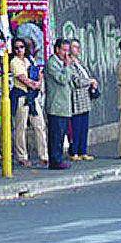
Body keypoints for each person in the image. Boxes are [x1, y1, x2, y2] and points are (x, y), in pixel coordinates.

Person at [11, 38, 48, 167]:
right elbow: (22, 78)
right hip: (22, 95)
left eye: (21, 47)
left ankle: (43, 155)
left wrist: (38, 82)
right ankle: (22, 156)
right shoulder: (14, 62)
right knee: (21, 127)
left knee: (39, 125)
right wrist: (34, 85)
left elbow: (38, 72)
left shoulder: (29, 60)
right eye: (16, 48)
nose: (19, 50)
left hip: (32, 97)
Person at [45, 38, 73, 170]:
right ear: (57, 49)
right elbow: (63, 79)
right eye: (64, 50)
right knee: (56, 135)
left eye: (68, 50)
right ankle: (55, 160)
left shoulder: (62, 63)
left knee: (61, 135)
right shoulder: (53, 63)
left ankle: (59, 158)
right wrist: (67, 66)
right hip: (56, 105)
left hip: (64, 105)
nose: (66, 53)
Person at [69, 39, 98, 161]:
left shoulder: (80, 62)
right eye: (75, 47)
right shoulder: (69, 63)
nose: (78, 49)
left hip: (85, 96)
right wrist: (90, 82)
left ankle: (83, 151)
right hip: (76, 97)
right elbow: (76, 80)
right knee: (76, 126)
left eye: (78, 47)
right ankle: (74, 152)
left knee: (84, 126)